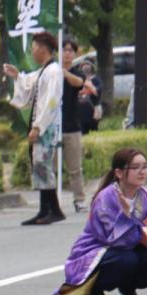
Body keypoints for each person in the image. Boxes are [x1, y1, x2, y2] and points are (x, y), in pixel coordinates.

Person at [48, 148, 147, 295]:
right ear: (119, 173)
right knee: (126, 260)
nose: (142, 172)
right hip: (98, 250)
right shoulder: (106, 198)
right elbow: (114, 239)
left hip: (130, 247)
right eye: (135, 167)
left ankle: (128, 288)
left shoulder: (146, 196)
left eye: (145, 166)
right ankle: (95, 290)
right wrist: (127, 215)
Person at [5, 31, 64, 225]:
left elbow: (50, 102)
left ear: (41, 48)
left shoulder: (53, 71)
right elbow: (30, 82)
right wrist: (18, 77)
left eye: (34, 48)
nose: (32, 52)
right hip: (42, 126)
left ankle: (52, 209)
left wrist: (38, 126)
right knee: (40, 166)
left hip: (45, 127)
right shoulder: (46, 70)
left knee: (43, 166)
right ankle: (46, 209)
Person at [60, 40, 88, 213]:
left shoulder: (77, 73)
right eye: (64, 50)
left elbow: (78, 83)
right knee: (52, 168)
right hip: (53, 128)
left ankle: (79, 200)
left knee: (75, 168)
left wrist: (63, 72)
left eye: (70, 50)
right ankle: (51, 201)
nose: (67, 53)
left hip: (72, 127)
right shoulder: (50, 73)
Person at [77, 60, 102, 134]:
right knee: (82, 131)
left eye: (87, 64)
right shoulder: (79, 80)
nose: (85, 66)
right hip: (81, 112)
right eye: (83, 65)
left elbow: (97, 92)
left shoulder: (96, 80)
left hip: (93, 110)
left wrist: (89, 87)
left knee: (94, 131)